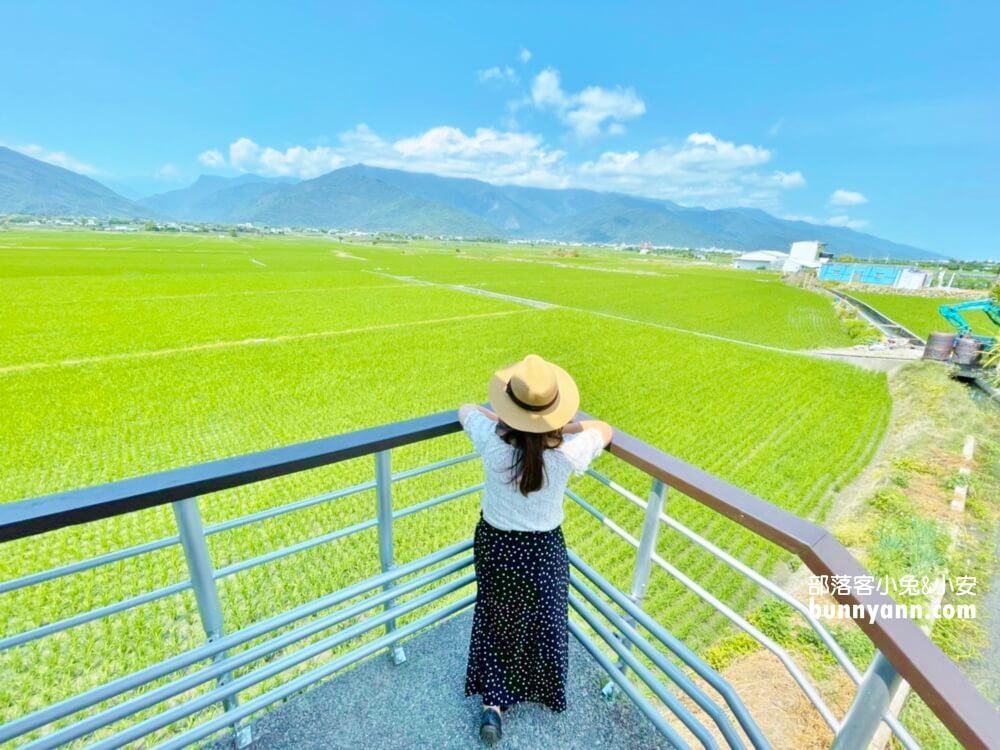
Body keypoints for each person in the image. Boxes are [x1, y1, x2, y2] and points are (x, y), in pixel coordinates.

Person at [458, 354, 613, 746]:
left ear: (511, 411)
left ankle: (493, 704)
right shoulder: (565, 454)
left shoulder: (490, 442)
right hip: (543, 550)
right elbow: (603, 428)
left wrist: (502, 420)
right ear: (551, 415)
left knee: (497, 616)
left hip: (495, 544)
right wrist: (562, 427)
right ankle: (540, 689)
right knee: (542, 619)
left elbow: (467, 409)